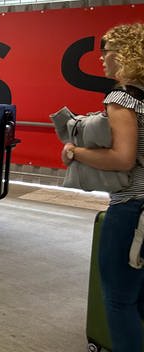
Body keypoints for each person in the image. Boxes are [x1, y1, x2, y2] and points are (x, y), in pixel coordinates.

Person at [60, 23, 144, 351]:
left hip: (131, 209)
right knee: (138, 300)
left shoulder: (121, 98)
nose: (101, 59)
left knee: (119, 300)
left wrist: (75, 151)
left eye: (106, 51)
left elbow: (123, 159)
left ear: (123, 54)